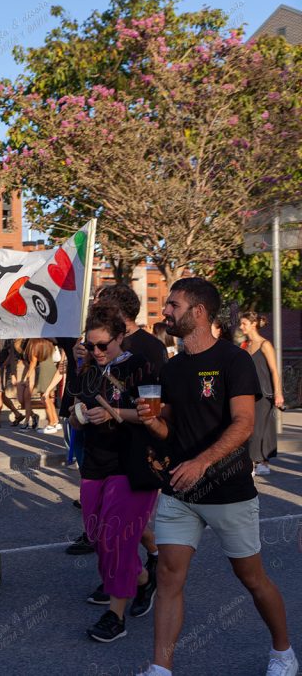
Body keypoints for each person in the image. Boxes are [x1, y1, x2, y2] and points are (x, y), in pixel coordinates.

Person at [134, 278, 296, 676]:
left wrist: (202, 463)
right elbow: (170, 428)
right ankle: (161, 668)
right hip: (179, 490)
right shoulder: (172, 367)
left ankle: (283, 652)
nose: (165, 311)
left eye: (173, 304)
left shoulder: (233, 360)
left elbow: (243, 424)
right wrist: (152, 423)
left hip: (228, 489)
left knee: (252, 577)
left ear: (199, 312)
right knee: (169, 577)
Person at [68, 304, 161, 643]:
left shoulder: (140, 366)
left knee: (116, 540)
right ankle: (143, 579)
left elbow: (153, 414)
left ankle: (115, 616)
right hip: (95, 462)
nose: (95, 351)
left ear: (120, 337)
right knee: (96, 536)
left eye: (102, 345)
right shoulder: (89, 369)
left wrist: (114, 413)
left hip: (131, 463)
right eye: (90, 345)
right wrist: (79, 415)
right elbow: (74, 416)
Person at [239, 312, 284, 476]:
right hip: (248, 392)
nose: (241, 327)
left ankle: (259, 462)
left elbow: (274, 370)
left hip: (265, 393)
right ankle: (255, 462)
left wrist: (278, 393)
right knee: (249, 426)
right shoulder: (244, 345)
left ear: (253, 324)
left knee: (260, 427)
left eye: (244, 323)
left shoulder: (265, 344)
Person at [17, 338, 61, 433]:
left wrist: (27, 377)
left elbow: (33, 363)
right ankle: (56, 421)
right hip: (51, 368)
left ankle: (51, 423)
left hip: (44, 371)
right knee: (48, 398)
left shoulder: (34, 344)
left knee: (44, 398)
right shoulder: (47, 342)